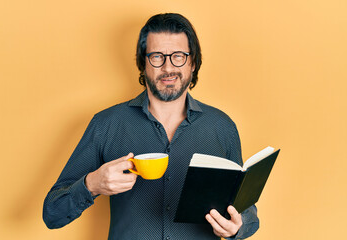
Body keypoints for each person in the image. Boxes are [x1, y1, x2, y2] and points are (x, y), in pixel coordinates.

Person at [43, 13, 259, 239]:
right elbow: (52, 213)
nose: (168, 67)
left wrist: (238, 226)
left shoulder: (221, 127)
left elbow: (247, 212)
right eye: (157, 56)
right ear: (143, 63)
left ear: (193, 63)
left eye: (179, 56)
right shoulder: (106, 124)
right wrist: (92, 184)